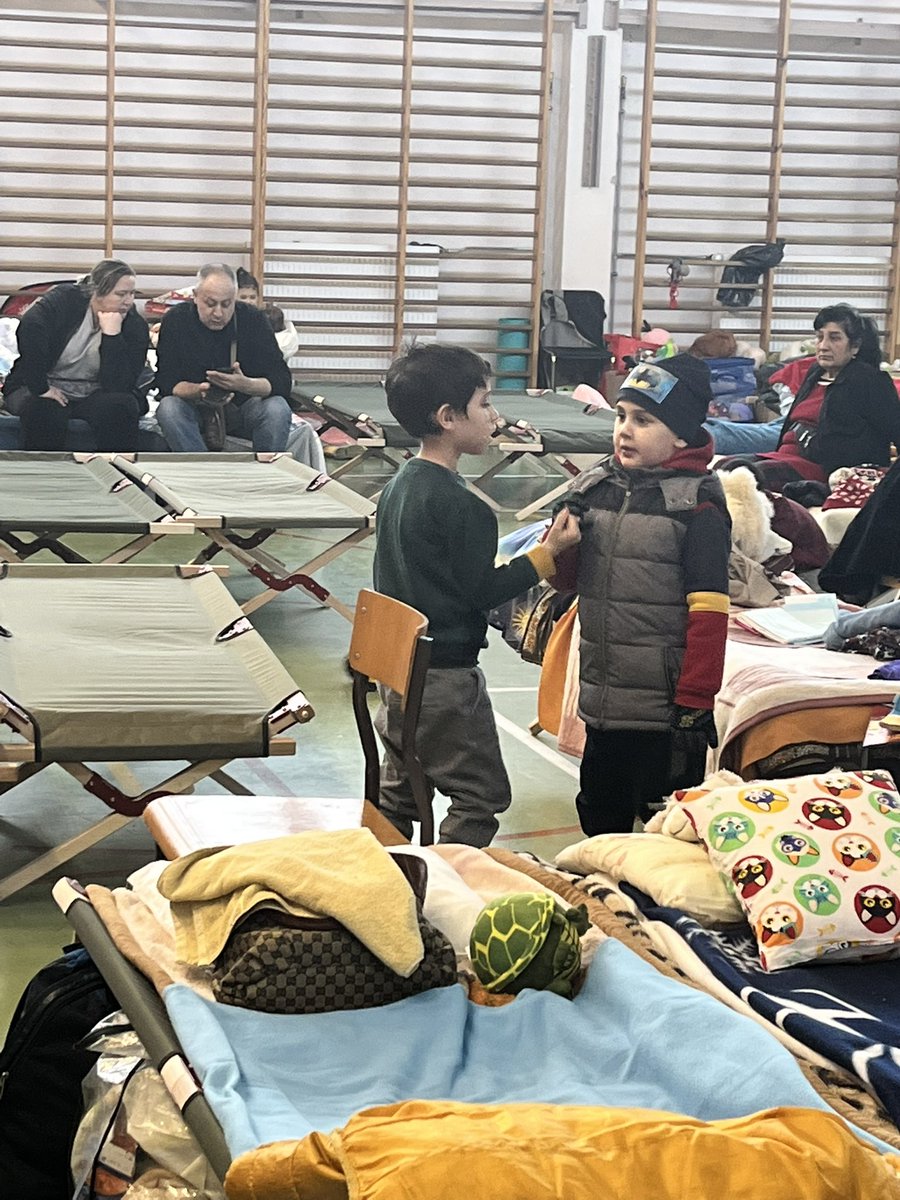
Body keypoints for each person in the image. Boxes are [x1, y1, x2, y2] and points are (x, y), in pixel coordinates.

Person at [373, 342, 581, 847]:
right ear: (448, 417)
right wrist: (547, 554)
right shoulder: (465, 508)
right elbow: (481, 592)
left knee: (399, 793)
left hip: (397, 669)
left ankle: (382, 875)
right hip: (444, 675)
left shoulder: (399, 485)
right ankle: (451, 880)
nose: (495, 416)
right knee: (479, 796)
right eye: (484, 403)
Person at [550, 353, 732, 837]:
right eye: (621, 416)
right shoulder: (596, 487)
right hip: (603, 698)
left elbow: (710, 611)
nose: (624, 431)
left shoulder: (698, 506)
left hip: (664, 712)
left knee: (661, 829)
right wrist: (561, 544)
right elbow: (567, 582)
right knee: (598, 813)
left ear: (681, 435)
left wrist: (696, 698)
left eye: (643, 421)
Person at [717, 304, 900, 490]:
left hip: (822, 469)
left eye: (834, 338)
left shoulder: (871, 381)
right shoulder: (815, 372)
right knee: (723, 467)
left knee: (747, 478)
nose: (823, 346)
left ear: (855, 346)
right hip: (785, 456)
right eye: (820, 337)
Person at [4, 259, 149, 451]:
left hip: (95, 392)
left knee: (122, 406)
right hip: (45, 385)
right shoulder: (66, 298)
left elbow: (119, 386)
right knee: (44, 410)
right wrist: (41, 387)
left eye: (132, 293)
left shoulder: (134, 324)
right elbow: (31, 326)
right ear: (97, 290)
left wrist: (112, 336)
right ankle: (43, 468)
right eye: (121, 294)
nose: (129, 301)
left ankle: (114, 467)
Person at [154, 263, 292, 452]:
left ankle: (265, 468)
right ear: (195, 296)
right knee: (169, 409)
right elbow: (166, 382)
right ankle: (200, 467)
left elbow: (282, 380)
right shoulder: (176, 320)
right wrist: (199, 390)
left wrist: (246, 385)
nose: (218, 313)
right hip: (194, 409)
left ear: (235, 298)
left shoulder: (254, 319)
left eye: (227, 304)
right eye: (210, 304)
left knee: (277, 408)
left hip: (243, 407)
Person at [235, 267, 300, 362]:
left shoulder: (264, 319)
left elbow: (285, 345)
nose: (249, 302)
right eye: (243, 297)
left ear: (258, 298)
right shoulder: (229, 321)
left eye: (252, 297)